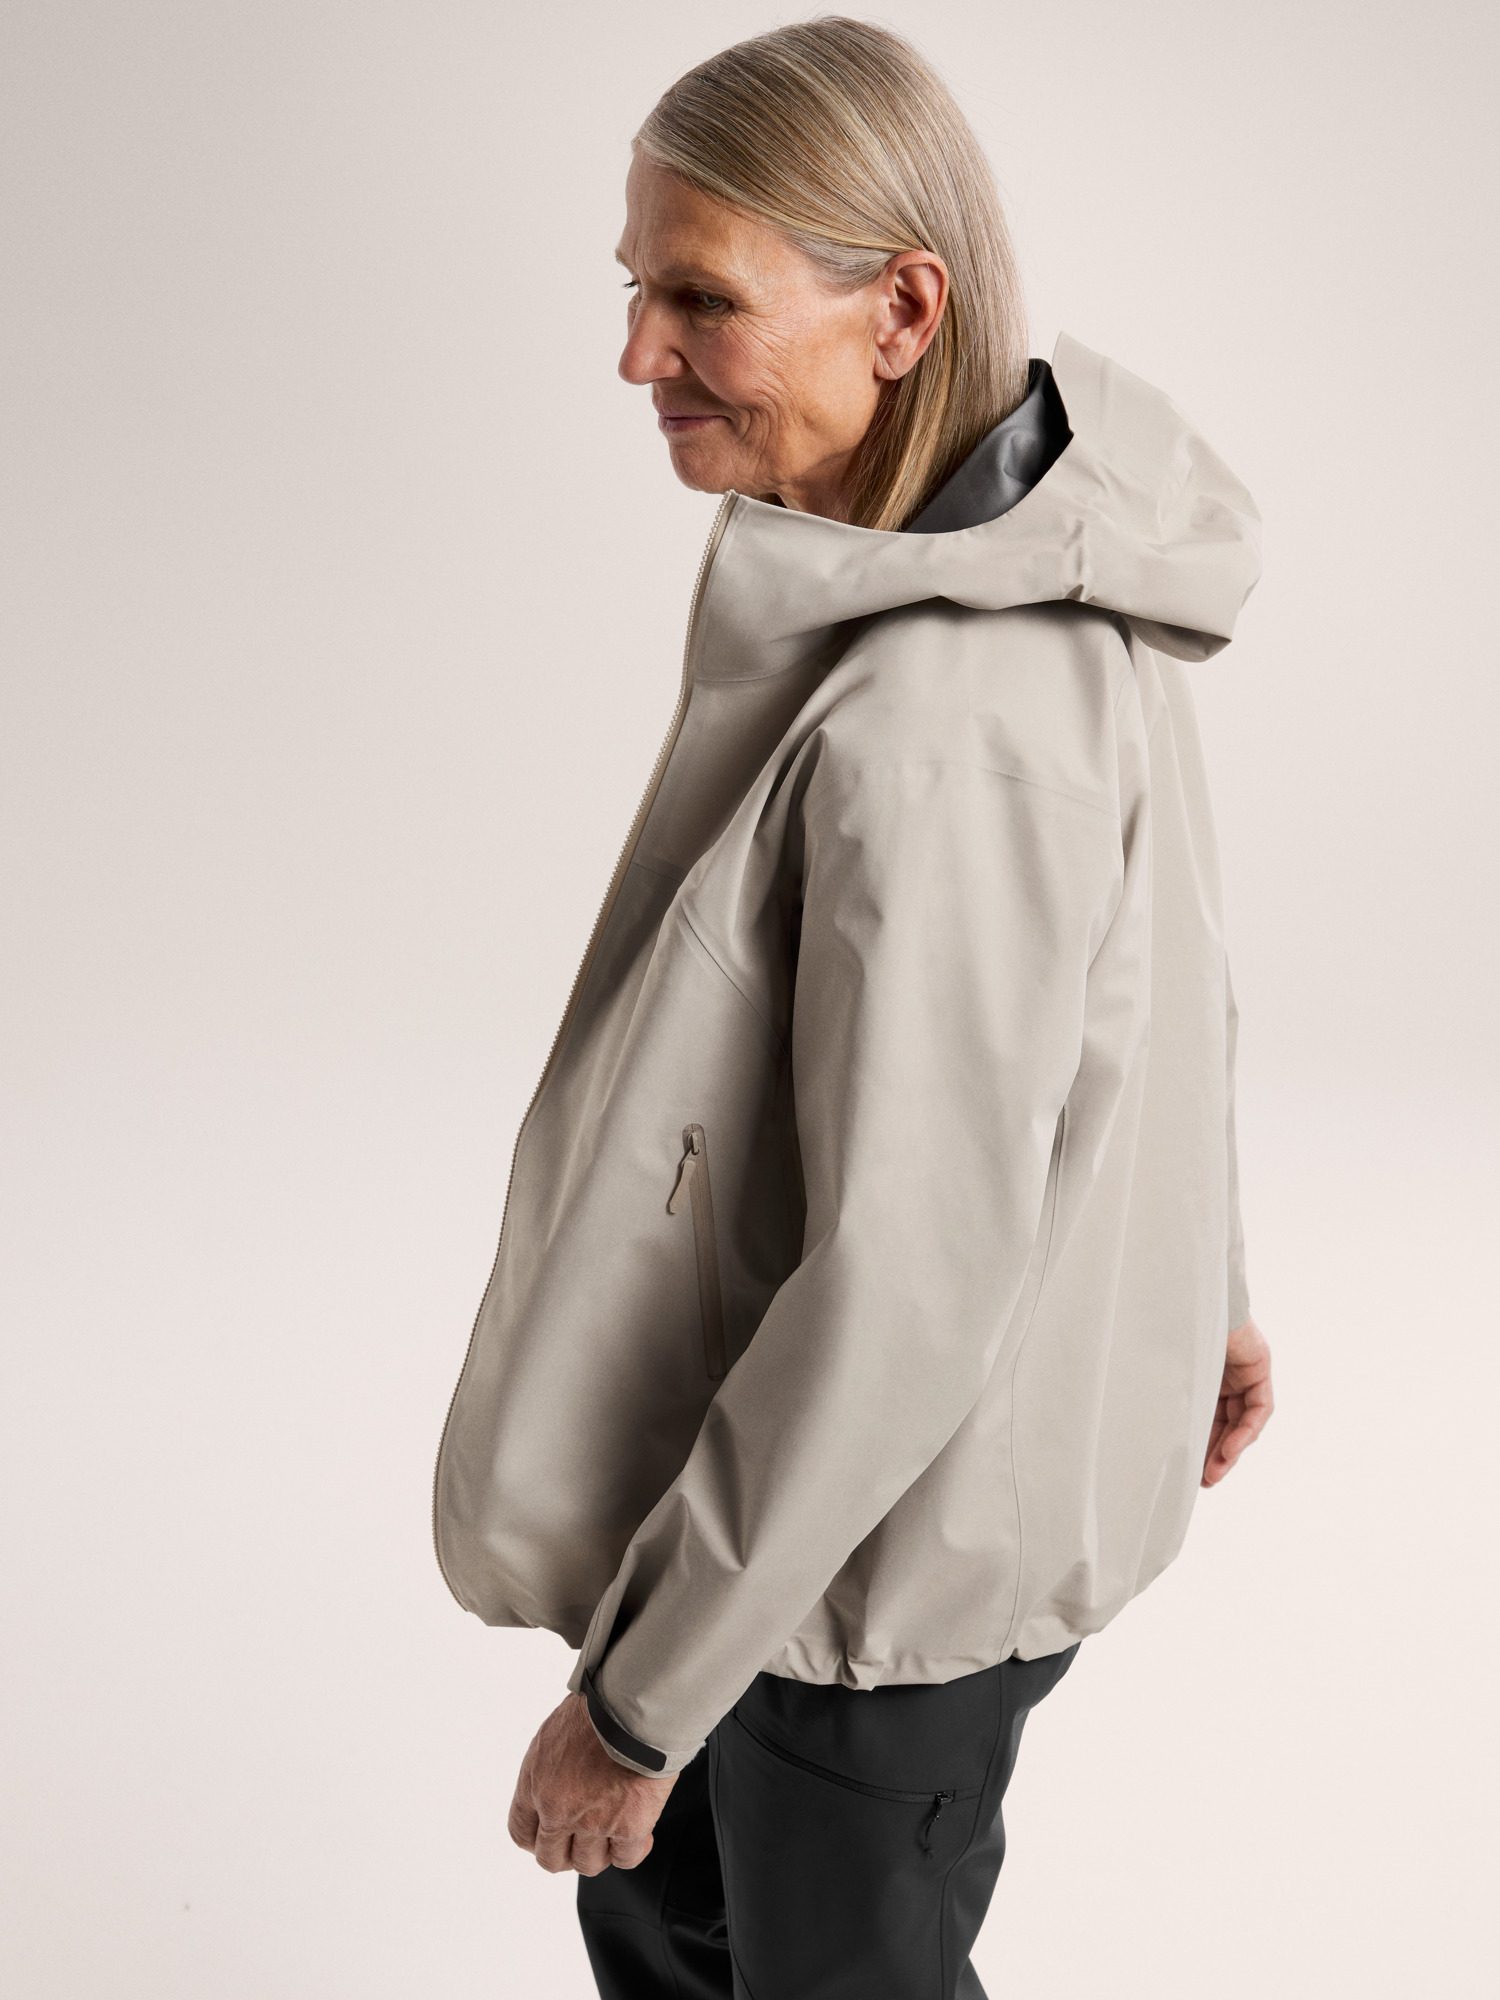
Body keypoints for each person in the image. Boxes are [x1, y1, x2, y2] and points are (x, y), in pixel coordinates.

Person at [432, 19, 1274, 1997]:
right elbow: (1156, 990)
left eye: (699, 298)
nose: (638, 355)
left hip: (846, 1599)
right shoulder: (1033, 571)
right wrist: (1204, 1289)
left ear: (901, 309)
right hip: (848, 1545)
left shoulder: (941, 718)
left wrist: (637, 1704)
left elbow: (909, 1275)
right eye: (636, 289)